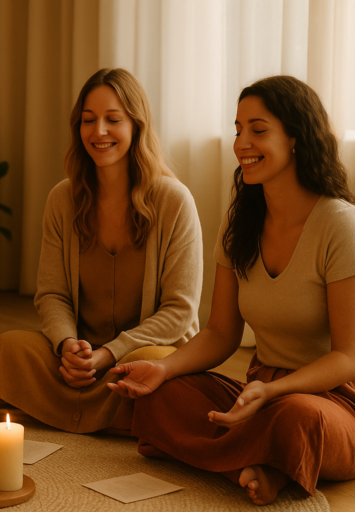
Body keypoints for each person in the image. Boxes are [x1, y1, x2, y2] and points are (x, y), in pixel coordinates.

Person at [108, 75, 355, 505]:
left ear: (297, 137)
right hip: (256, 396)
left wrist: (275, 391)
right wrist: (164, 370)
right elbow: (221, 333)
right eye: (238, 130)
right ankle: (261, 464)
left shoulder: (339, 224)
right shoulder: (239, 222)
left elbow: (348, 356)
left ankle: (236, 455)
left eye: (258, 130)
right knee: (161, 392)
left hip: (330, 403)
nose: (242, 143)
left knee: (297, 418)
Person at [0, 68, 202, 433]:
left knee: (155, 364)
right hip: (84, 355)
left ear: (136, 126)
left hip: (138, 355)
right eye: (89, 120)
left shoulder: (174, 201)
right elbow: (52, 293)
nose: (99, 131)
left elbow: (179, 312)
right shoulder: (62, 198)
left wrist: (109, 354)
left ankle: (59, 411)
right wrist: (67, 345)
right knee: (8, 347)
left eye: (112, 120)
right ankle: (117, 419)